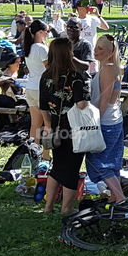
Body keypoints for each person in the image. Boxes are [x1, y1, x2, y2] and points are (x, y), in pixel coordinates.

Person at [40, 38, 91, 215]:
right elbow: (81, 104)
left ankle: (48, 206)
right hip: (74, 129)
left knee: (57, 167)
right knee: (71, 169)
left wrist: (48, 127)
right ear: (68, 53)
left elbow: (43, 106)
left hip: (55, 128)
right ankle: (66, 208)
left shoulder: (46, 76)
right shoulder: (75, 76)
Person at [86, 35, 125, 204]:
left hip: (106, 121)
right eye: (96, 47)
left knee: (99, 161)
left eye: (101, 48)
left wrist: (95, 122)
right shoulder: (109, 67)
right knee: (112, 160)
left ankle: (120, 197)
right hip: (114, 119)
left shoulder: (108, 69)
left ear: (111, 52)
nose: (96, 51)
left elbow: (104, 99)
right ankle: (115, 196)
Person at [23, 20, 50, 157]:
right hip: (41, 89)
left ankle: (32, 153)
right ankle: (45, 154)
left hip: (30, 88)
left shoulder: (30, 47)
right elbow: (49, 69)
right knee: (47, 124)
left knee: (35, 125)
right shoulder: (41, 48)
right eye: (47, 31)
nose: (48, 34)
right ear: (40, 32)